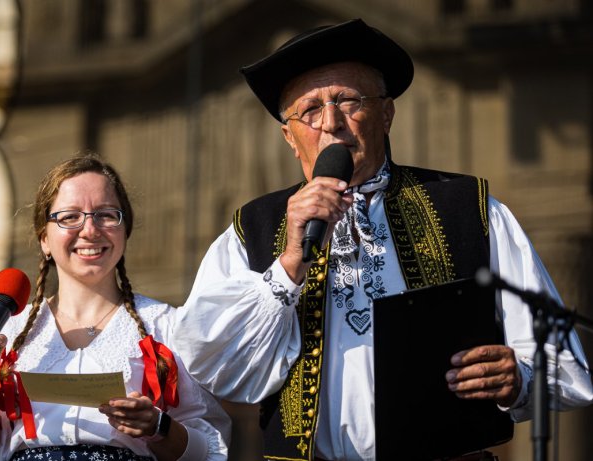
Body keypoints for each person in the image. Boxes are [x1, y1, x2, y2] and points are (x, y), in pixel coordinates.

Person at [170, 18, 593, 460]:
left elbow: (564, 366)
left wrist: (519, 378)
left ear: (386, 114)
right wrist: (291, 261)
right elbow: (207, 361)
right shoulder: (250, 229)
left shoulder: (469, 208)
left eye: (348, 100)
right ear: (289, 137)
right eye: (310, 110)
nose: (331, 122)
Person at [0, 154, 230, 460]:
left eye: (106, 215)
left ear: (124, 231)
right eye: (69, 217)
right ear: (44, 238)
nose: (90, 230)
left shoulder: (167, 326)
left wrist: (158, 426)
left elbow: (209, 449)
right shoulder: (9, 331)